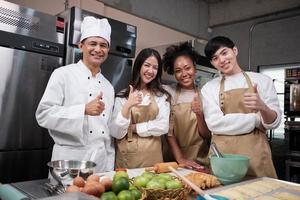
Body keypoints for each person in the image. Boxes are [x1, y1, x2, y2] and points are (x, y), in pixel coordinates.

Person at [36, 16, 115, 172]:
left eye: (103, 45)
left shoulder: (108, 87)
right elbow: (43, 115)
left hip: (100, 162)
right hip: (69, 161)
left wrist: (109, 167)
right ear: (81, 46)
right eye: (93, 43)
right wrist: (83, 110)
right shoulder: (63, 74)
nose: (98, 49)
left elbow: (107, 135)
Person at [202, 36, 281, 178]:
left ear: (235, 50)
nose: (222, 60)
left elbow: (273, 122)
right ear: (212, 63)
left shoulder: (262, 81)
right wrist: (256, 120)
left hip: (255, 157)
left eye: (224, 53)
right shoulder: (209, 88)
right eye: (215, 58)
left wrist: (263, 107)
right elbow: (215, 123)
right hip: (222, 159)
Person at [110, 48, 171, 168]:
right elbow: (116, 132)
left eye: (155, 67)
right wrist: (128, 105)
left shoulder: (161, 96)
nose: (150, 71)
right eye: (147, 65)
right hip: (127, 159)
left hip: (154, 159)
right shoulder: (123, 96)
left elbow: (163, 126)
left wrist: (134, 127)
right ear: (138, 66)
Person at [162, 42, 211, 170]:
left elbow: (206, 135)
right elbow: (168, 131)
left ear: (194, 68)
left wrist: (199, 114)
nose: (184, 74)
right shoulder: (168, 92)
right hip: (174, 159)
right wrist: (180, 159)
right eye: (178, 71)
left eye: (187, 68)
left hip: (200, 158)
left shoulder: (205, 94)